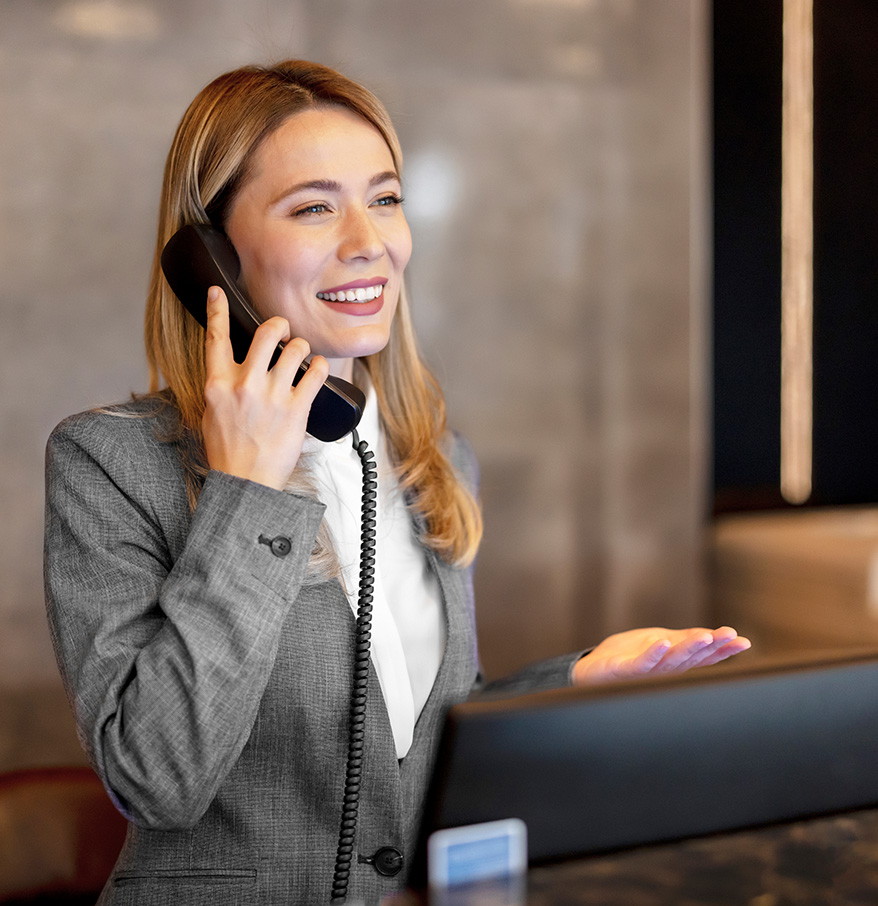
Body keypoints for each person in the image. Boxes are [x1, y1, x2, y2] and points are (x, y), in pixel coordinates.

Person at [43, 59, 750, 906]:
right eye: (314, 207)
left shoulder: (430, 455)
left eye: (384, 198)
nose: (368, 241)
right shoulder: (110, 464)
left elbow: (409, 736)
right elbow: (155, 776)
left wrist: (570, 686)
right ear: (212, 257)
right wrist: (250, 492)